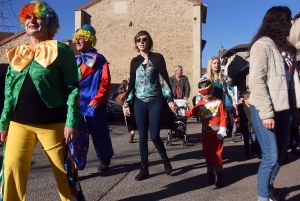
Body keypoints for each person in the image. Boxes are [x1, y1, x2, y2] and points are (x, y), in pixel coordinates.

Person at [0, 1, 84, 200]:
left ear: (49, 22)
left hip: (52, 124)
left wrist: (71, 122)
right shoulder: (17, 53)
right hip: (18, 123)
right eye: (28, 17)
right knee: (11, 171)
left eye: (37, 16)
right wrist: (3, 123)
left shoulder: (61, 51)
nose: (32, 20)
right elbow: (9, 92)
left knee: (65, 174)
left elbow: (72, 88)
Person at [249, 6, 300, 201]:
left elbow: (292, 83)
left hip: (285, 109)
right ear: (279, 22)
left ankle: (268, 185)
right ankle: (263, 197)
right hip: (265, 108)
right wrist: (267, 113)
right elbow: (256, 81)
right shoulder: (262, 45)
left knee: (280, 156)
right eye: (289, 21)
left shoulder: (289, 50)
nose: (291, 24)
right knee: (270, 156)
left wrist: (296, 111)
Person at [123, 30, 176, 181]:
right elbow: (132, 85)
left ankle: (165, 159)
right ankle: (144, 168)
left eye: (144, 39)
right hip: (139, 103)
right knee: (142, 136)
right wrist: (127, 103)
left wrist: (170, 99)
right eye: (138, 39)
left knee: (154, 135)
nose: (141, 42)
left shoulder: (157, 58)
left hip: (155, 101)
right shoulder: (134, 62)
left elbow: (163, 81)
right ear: (136, 43)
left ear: (149, 42)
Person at [71, 24, 114, 172]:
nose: (77, 41)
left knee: (99, 133)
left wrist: (97, 99)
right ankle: (77, 163)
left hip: (94, 104)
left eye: (80, 38)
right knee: (76, 136)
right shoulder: (74, 60)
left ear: (89, 40)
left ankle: (105, 157)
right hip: (77, 105)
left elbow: (105, 82)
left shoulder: (99, 59)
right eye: (76, 38)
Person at [177, 78, 227, 187]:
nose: (207, 96)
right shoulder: (200, 105)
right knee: (207, 153)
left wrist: (223, 129)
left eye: (208, 93)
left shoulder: (219, 102)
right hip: (205, 134)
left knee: (217, 154)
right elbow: (191, 112)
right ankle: (210, 174)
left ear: (213, 90)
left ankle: (219, 175)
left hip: (217, 133)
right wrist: (180, 111)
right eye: (204, 94)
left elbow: (224, 116)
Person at [234, 91, 261, 157]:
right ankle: (247, 152)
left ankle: (254, 151)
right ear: (244, 99)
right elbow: (236, 116)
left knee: (254, 139)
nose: (248, 101)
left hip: (253, 125)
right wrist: (236, 109)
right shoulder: (240, 106)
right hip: (245, 125)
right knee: (246, 140)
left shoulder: (253, 105)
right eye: (246, 99)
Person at [117, 76, 136, 143]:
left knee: (135, 117)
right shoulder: (124, 82)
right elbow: (119, 90)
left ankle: (133, 130)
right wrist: (126, 89)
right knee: (127, 117)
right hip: (126, 102)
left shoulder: (137, 81)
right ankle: (131, 132)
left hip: (135, 102)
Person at [224, 76, 238, 143]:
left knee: (232, 121)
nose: (230, 82)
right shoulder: (224, 88)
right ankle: (227, 131)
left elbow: (236, 97)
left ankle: (232, 134)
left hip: (232, 106)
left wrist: (236, 105)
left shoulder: (234, 88)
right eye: (228, 81)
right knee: (226, 120)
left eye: (231, 81)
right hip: (225, 106)